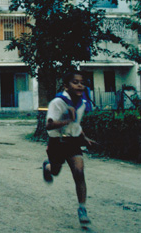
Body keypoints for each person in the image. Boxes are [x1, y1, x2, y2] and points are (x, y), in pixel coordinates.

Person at [42, 71, 96, 226]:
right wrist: (67, 119)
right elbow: (49, 125)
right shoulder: (58, 102)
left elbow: (76, 124)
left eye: (82, 82)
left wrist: (83, 137)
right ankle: (48, 166)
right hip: (57, 142)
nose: (80, 85)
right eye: (75, 82)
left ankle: (82, 208)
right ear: (66, 85)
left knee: (79, 173)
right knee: (55, 172)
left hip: (73, 142)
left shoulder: (82, 103)